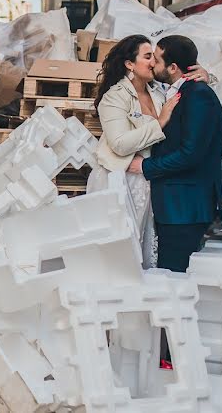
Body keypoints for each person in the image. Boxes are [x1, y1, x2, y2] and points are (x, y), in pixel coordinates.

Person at [127, 35, 222, 273]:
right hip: (175, 206)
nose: (151, 64)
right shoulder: (178, 91)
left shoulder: (198, 95)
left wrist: (146, 167)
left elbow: (191, 153)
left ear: (173, 67)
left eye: (157, 60)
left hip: (185, 208)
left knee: (174, 278)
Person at [87, 35, 181, 268]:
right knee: (116, 253)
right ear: (129, 64)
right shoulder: (114, 97)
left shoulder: (158, 92)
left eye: (155, 58)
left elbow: (183, 84)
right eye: (147, 56)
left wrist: (208, 77)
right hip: (117, 179)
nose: (152, 63)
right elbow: (119, 143)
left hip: (146, 179)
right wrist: (158, 123)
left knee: (140, 249)